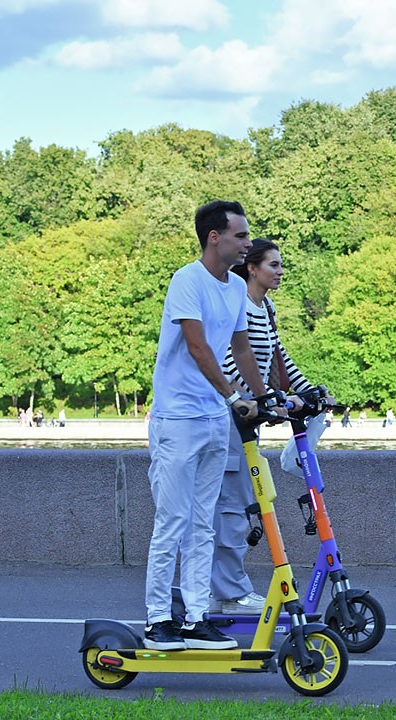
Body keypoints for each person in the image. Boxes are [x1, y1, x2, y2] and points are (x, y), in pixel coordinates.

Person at [143, 200, 266, 652]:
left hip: (215, 420)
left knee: (203, 526)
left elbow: (242, 347)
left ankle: (196, 619)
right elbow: (197, 347)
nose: (247, 243)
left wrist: (262, 399)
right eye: (240, 236)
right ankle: (158, 621)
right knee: (172, 521)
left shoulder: (235, 287)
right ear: (214, 237)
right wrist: (233, 397)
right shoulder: (186, 280)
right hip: (178, 421)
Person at [210, 238, 316, 615]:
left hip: (246, 414)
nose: (280, 271)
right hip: (228, 417)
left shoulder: (265, 306)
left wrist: (310, 391)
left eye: (281, 265)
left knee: (243, 503)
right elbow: (226, 360)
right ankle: (228, 594)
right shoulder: (239, 300)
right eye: (273, 265)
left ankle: (226, 590)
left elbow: (278, 357)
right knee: (231, 506)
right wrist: (254, 399)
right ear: (252, 268)